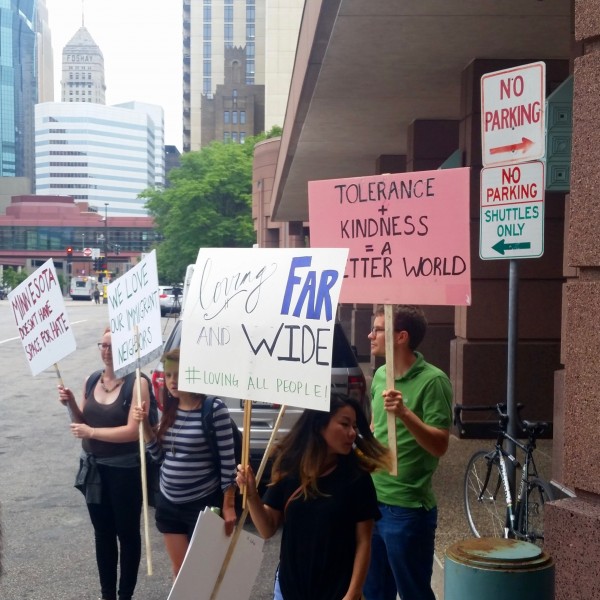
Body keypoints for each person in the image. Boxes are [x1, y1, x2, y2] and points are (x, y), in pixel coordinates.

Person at [236, 393, 390, 600]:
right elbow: (267, 528)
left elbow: (363, 541)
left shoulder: (357, 477)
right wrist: (252, 495)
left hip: (337, 592)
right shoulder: (289, 467)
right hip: (290, 589)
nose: (352, 433)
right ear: (319, 424)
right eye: (345, 424)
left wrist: (354, 592)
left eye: (354, 426)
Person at [363, 305, 452, 600]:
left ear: (401, 336)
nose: (370, 335)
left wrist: (404, 413)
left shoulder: (433, 381)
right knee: (375, 592)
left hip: (407, 510)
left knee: (414, 593)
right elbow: (377, 427)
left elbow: (440, 445)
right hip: (371, 502)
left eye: (377, 329)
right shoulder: (379, 377)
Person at [58, 327, 150, 600]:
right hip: (94, 470)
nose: (107, 351)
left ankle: (125, 595)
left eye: (113, 346)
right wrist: (72, 403)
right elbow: (82, 423)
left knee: (127, 534)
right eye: (103, 345)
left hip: (124, 472)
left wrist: (92, 433)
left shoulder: (137, 383)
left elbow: (133, 432)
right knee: (103, 534)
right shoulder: (91, 380)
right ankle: (107, 594)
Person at [133, 347, 237, 578]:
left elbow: (229, 461)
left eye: (178, 374)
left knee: (205, 574)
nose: (172, 381)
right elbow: (159, 457)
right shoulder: (170, 409)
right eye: (169, 375)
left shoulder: (213, 409)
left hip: (202, 504)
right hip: (169, 504)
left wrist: (229, 505)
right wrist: (146, 428)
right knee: (180, 573)